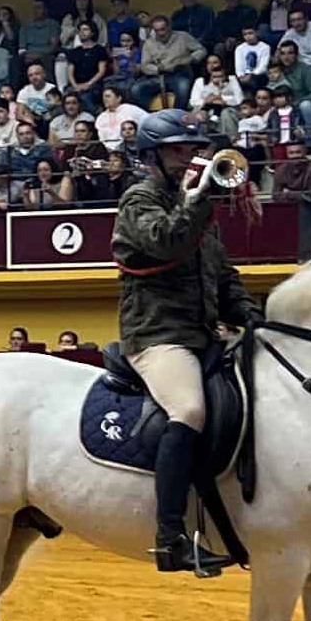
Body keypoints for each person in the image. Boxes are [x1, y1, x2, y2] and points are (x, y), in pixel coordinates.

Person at [112, 110, 255, 577]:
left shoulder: (199, 210)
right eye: (178, 150)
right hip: (158, 337)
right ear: (152, 155)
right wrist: (199, 199)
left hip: (203, 336)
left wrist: (255, 321)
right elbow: (166, 241)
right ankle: (169, 537)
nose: (190, 157)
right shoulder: (139, 200)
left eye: (194, 149)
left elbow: (223, 277)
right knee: (190, 411)